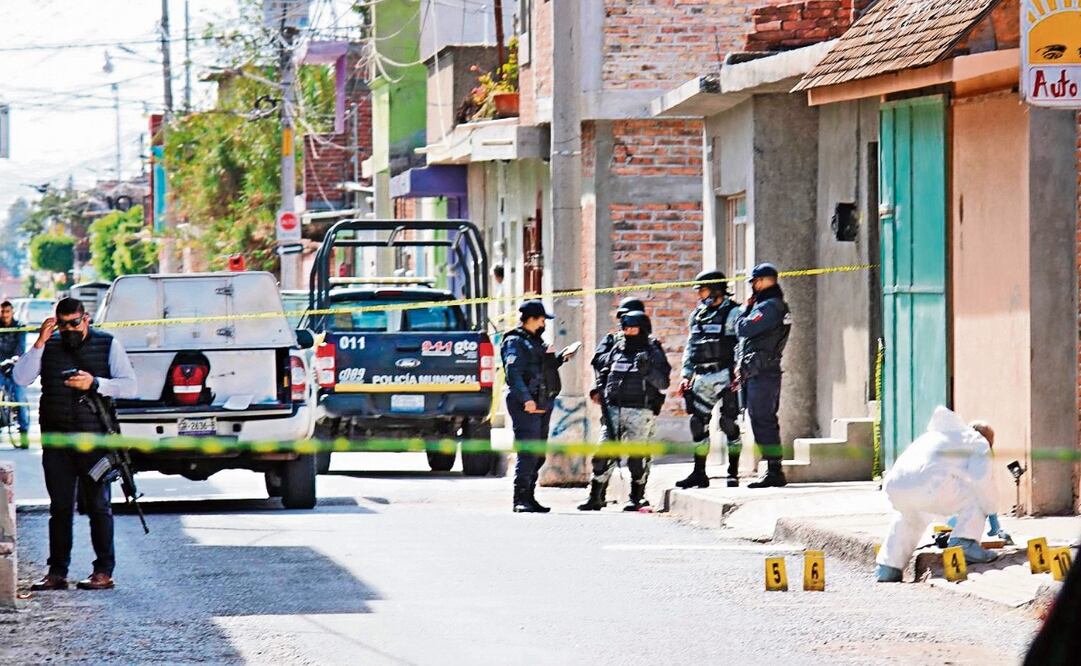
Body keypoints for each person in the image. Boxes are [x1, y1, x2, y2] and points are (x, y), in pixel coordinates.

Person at [14, 297, 137, 591]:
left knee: (98, 506)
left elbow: (130, 386)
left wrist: (95, 383)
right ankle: (57, 573)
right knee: (59, 508)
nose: (69, 329)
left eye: (74, 323)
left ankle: (103, 571)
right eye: (63, 324)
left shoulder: (107, 343)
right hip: (57, 441)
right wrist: (40, 342)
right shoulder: (48, 346)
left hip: (94, 442)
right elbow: (21, 377)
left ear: (86, 319)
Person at [875, 407, 999, 583]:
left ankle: (888, 567)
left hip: (896, 487)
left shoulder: (932, 437)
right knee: (977, 494)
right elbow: (982, 481)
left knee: (910, 518)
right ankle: (965, 543)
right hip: (932, 486)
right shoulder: (978, 441)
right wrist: (992, 510)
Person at [579, 310, 670, 512]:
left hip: (640, 411)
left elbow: (663, 383)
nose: (628, 332)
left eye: (632, 328)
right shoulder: (617, 348)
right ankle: (596, 496)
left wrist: (647, 370)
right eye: (625, 328)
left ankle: (636, 497)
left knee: (637, 459)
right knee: (602, 455)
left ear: (642, 329)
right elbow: (604, 372)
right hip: (613, 410)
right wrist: (598, 389)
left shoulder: (652, 350)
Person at [501, 300, 575, 513]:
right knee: (528, 451)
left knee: (539, 453)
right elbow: (513, 374)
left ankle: (529, 497)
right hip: (526, 403)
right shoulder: (515, 341)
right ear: (532, 319)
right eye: (542, 319)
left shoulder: (535, 341)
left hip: (541, 400)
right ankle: (520, 499)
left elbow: (541, 368)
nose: (544, 324)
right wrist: (526, 400)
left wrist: (560, 358)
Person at [675, 271, 741, 489]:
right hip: (701, 376)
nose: (699, 295)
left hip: (725, 375)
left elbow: (742, 343)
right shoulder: (697, 315)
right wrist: (686, 375)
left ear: (715, 290)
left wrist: (739, 370)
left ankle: (733, 472)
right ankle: (699, 473)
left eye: (702, 290)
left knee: (728, 423)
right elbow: (691, 346)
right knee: (697, 425)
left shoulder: (734, 313)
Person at [735, 263, 792, 489]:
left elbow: (743, 328)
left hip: (764, 371)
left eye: (756, 281)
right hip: (758, 370)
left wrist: (745, 310)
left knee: (763, 418)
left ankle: (774, 470)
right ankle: (773, 468)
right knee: (760, 418)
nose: (754, 285)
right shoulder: (769, 304)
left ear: (767, 280)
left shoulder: (770, 306)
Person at [590, 296, 647, 441]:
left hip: (639, 406)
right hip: (614, 404)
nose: (626, 323)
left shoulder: (649, 344)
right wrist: (617, 353)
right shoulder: (613, 340)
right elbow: (598, 361)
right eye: (623, 318)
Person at [0, 300, 30, 447]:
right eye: (2, 312)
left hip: (15, 366)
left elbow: (21, 348)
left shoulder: (20, 327)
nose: (5, 315)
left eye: (7, 312)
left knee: (19, 398)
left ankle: (24, 432)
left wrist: (14, 360)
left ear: (12, 312)